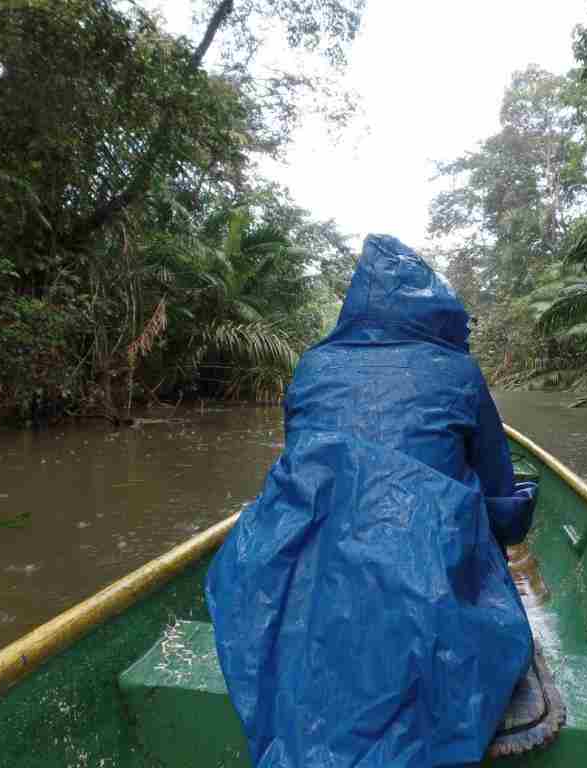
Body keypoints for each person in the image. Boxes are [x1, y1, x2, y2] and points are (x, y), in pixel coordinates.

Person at [205, 234, 537, 768]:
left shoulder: (312, 365)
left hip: (317, 568)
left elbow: (301, 469)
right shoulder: (458, 371)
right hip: (424, 564)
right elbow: (501, 497)